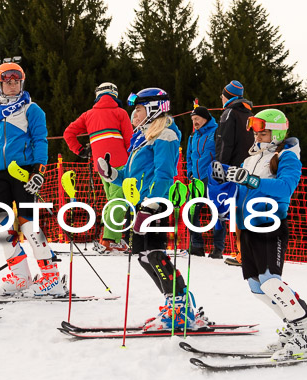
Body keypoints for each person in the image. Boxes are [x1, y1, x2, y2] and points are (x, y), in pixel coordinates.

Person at [209, 109, 307, 360]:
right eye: (256, 131)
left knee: (271, 280)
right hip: (247, 225)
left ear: (277, 132)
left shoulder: (287, 157)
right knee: (256, 286)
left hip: (270, 224)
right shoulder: (251, 158)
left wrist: (250, 180)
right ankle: (295, 329)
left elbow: (285, 187)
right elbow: (240, 185)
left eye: (263, 131)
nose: (258, 136)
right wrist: (223, 178)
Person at [96, 88, 209, 331]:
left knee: (156, 254)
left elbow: (164, 174)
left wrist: (152, 205)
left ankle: (181, 308)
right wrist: (112, 173)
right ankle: (174, 303)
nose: (133, 115)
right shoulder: (142, 138)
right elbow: (130, 175)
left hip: (154, 205)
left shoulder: (165, 135)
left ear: (153, 109)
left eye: (138, 109)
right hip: (139, 204)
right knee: (144, 256)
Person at [0, 61, 67, 297]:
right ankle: (20, 275)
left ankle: (51, 276)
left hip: (24, 171)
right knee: (0, 222)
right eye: (7, 82)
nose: (12, 85)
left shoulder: (32, 110)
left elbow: (41, 142)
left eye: (16, 81)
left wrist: (39, 171)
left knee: (27, 221)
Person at [63, 82, 133, 254]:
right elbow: (130, 139)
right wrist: (133, 159)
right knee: (119, 201)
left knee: (112, 200)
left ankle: (113, 238)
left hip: (100, 164)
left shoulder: (88, 115)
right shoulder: (120, 112)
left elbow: (68, 133)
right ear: (115, 95)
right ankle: (109, 239)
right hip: (121, 162)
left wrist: (80, 150)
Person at [214, 80, 254, 266]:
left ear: (228, 96)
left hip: (234, 170)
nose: (221, 98)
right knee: (247, 209)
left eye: (222, 95)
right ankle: (250, 253)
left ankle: (243, 254)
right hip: (250, 167)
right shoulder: (248, 113)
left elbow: (224, 141)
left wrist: (220, 166)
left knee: (238, 211)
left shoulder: (229, 112)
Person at [186, 105, 225, 258]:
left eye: (197, 119)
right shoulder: (193, 136)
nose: (195, 122)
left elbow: (221, 153)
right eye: (193, 119)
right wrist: (190, 172)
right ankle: (197, 245)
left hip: (212, 178)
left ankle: (218, 248)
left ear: (206, 118)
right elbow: (190, 156)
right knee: (190, 212)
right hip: (196, 179)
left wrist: (217, 172)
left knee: (216, 212)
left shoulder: (216, 132)